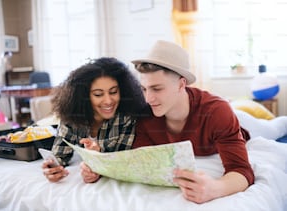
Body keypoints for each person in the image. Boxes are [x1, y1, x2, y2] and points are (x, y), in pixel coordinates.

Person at [130, 40, 255, 203]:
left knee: (271, 127)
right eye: (144, 89)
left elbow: (242, 171)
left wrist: (214, 189)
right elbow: (139, 160)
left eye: (157, 89)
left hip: (239, 127)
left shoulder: (217, 111)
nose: (148, 99)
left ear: (181, 84)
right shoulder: (144, 114)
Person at [42, 57, 146, 183]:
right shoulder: (72, 117)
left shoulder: (126, 117)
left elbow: (121, 161)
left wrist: (97, 159)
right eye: (98, 94)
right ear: (84, 96)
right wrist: (52, 169)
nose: (108, 101)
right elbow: (59, 155)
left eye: (113, 92)